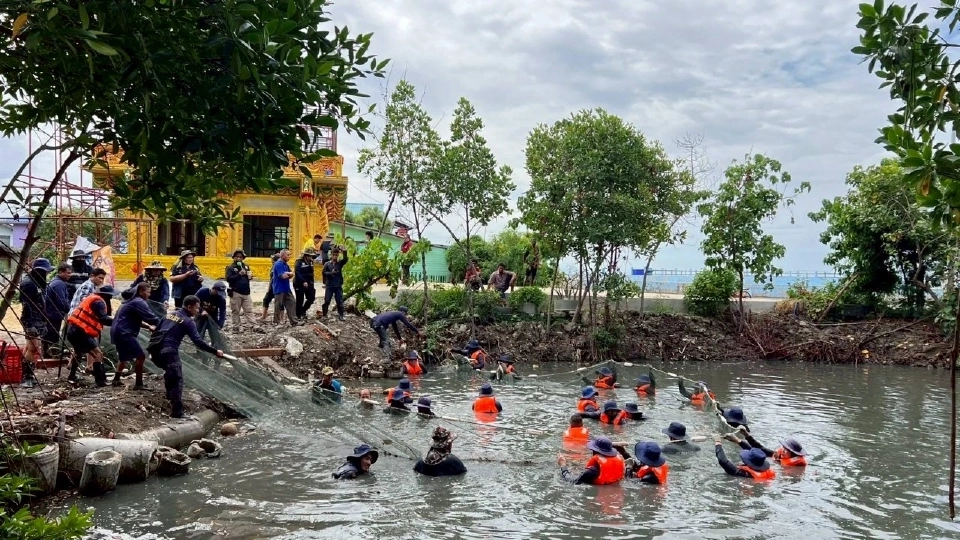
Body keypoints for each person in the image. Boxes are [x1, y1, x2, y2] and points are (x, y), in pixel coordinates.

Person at [148, 295, 224, 417]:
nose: (198, 311)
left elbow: (157, 330)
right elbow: (198, 342)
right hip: (169, 351)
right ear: (189, 307)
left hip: (156, 350)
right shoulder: (188, 321)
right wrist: (215, 351)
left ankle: (169, 396)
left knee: (170, 371)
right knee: (177, 378)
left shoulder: (169, 314)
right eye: (197, 308)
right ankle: (177, 412)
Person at [110, 282, 160, 388]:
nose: (149, 295)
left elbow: (135, 319)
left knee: (123, 356)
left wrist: (149, 327)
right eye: (148, 292)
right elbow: (151, 317)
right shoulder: (139, 301)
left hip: (117, 331)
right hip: (124, 332)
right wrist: (164, 325)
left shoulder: (130, 301)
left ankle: (116, 380)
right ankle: (138, 384)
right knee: (141, 356)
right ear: (141, 292)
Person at [66, 285, 115, 386]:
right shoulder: (99, 302)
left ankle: (72, 376)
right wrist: (117, 321)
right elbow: (104, 319)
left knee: (77, 352)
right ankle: (100, 381)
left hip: (73, 329)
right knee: (98, 354)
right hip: (81, 331)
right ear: (107, 295)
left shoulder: (92, 298)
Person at [18, 258, 52, 388]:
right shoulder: (28, 284)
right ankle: (27, 377)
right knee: (33, 347)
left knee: (29, 347)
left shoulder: (37, 282)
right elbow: (26, 305)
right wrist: (30, 324)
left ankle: (26, 373)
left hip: (38, 318)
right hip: (31, 319)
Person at [557, 437, 625, 485]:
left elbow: (572, 482)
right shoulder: (621, 462)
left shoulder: (592, 471)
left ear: (594, 450)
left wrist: (563, 465)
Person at [724, 430, 808, 467]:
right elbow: (759, 448)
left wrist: (738, 441)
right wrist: (747, 436)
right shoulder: (778, 455)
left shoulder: (794, 466)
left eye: (787, 451)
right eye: (784, 448)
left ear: (793, 455)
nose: (783, 451)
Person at [43, 262, 72, 356]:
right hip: (53, 314)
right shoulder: (59, 284)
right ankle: (50, 355)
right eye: (67, 273)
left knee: (49, 335)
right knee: (52, 336)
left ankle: (48, 354)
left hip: (51, 313)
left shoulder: (55, 282)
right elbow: (61, 301)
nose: (69, 275)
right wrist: (69, 309)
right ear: (61, 272)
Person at [225, 249, 256, 330]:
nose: (239, 258)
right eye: (237, 257)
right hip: (235, 291)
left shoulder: (246, 266)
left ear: (243, 258)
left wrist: (250, 276)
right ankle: (237, 326)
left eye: (240, 257)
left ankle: (253, 325)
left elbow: (248, 277)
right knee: (235, 311)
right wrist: (239, 274)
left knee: (249, 310)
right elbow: (228, 279)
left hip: (246, 292)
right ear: (234, 257)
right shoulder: (230, 267)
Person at [271, 249, 298, 326]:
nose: (289, 257)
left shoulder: (286, 264)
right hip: (279, 288)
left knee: (292, 302)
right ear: (282, 255)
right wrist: (289, 274)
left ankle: (294, 321)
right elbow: (283, 276)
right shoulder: (278, 264)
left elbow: (291, 274)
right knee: (278, 305)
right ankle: (276, 322)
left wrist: (288, 273)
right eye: (288, 255)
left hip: (286, 288)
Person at [321, 246, 348, 321]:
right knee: (327, 301)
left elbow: (345, 259)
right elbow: (323, 272)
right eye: (333, 255)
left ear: (338, 255)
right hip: (329, 285)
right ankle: (324, 315)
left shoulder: (339, 263)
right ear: (331, 254)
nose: (334, 256)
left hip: (338, 285)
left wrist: (344, 252)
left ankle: (341, 315)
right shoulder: (327, 264)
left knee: (339, 301)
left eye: (336, 255)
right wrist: (331, 273)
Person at [293, 247, 317, 320]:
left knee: (311, 298)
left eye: (311, 255)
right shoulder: (299, 262)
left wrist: (312, 283)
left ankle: (303, 310)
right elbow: (298, 273)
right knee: (300, 300)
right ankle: (298, 315)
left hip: (309, 282)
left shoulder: (311, 262)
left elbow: (311, 273)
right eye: (309, 255)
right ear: (305, 255)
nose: (310, 257)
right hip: (299, 283)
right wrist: (303, 281)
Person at [259, 253, 281, 320]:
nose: (271, 261)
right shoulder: (273, 266)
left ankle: (281, 318)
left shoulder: (278, 266)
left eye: (273, 260)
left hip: (277, 287)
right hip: (272, 286)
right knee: (266, 300)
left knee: (279, 303)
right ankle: (264, 315)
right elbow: (271, 279)